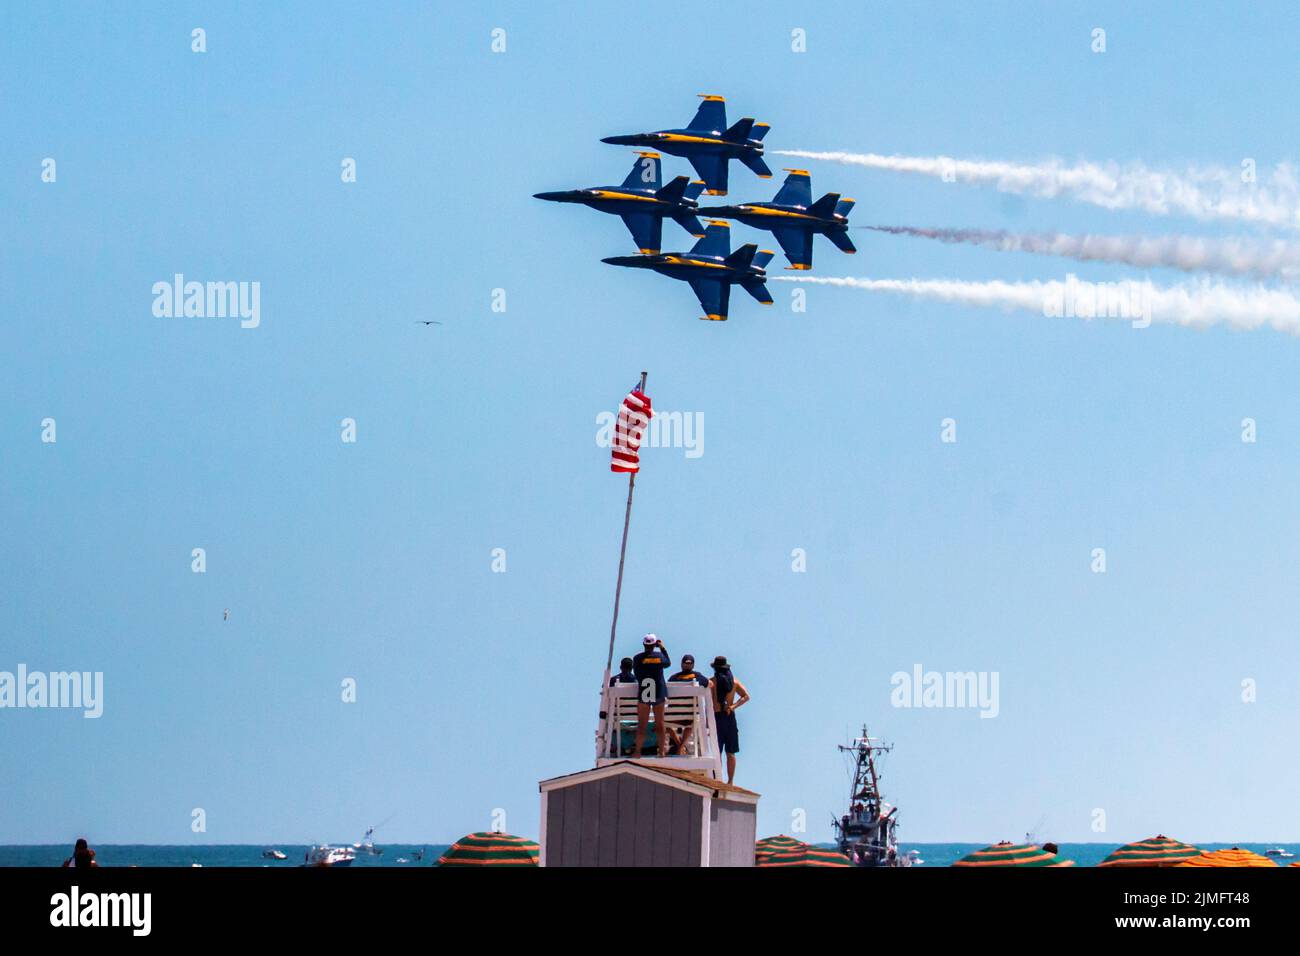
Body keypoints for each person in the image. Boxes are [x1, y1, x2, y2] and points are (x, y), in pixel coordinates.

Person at [709, 656, 749, 785]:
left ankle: (721, 779)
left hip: (718, 716)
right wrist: (733, 706)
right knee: (729, 752)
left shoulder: (711, 682)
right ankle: (730, 781)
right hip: (729, 716)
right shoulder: (734, 682)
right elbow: (746, 696)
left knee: (718, 751)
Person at [632, 634, 671, 758]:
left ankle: (637, 751)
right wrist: (662, 648)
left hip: (644, 692)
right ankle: (662, 751)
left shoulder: (637, 658)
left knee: (642, 724)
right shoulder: (659, 657)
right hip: (658, 692)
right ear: (654, 645)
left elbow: (637, 674)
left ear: (644, 645)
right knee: (659, 723)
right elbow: (668, 663)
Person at [666, 655, 709, 755]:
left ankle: (679, 745)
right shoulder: (697, 676)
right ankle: (681, 747)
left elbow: (667, 695)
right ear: (693, 665)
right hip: (690, 715)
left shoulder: (673, 678)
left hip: (673, 715)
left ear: (682, 664)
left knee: (662, 722)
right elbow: (710, 684)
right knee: (692, 722)